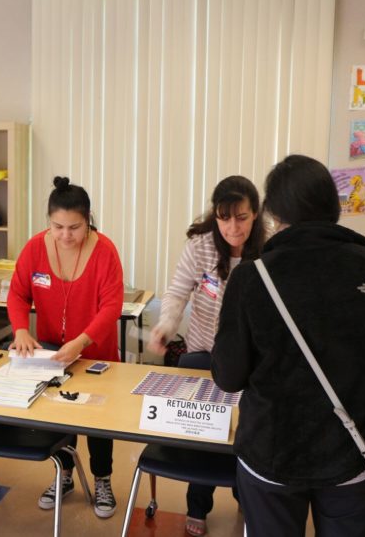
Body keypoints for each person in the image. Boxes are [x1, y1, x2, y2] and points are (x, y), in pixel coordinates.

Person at [211, 154, 365, 537]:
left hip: (272, 452)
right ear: (334, 207)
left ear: (271, 214)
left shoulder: (252, 279)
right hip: (354, 454)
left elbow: (228, 376)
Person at [148, 175, 263, 536]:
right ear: (215, 215)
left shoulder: (270, 248)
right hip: (204, 353)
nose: (233, 227)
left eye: (241, 217)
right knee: (205, 434)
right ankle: (198, 505)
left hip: (254, 359)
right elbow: (178, 291)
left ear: (255, 214)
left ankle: (249, 500)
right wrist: (166, 325)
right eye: (224, 217)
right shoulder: (201, 247)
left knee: (250, 434)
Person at [7, 176, 124, 519]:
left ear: (88, 220)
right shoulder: (34, 248)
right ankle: (64, 475)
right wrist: (20, 330)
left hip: (95, 353)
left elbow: (111, 306)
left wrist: (82, 341)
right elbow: (17, 294)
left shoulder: (105, 251)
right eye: (57, 226)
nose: (65, 235)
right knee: (58, 418)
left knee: (98, 422)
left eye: (74, 227)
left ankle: (103, 480)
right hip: (50, 352)